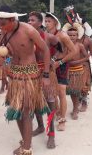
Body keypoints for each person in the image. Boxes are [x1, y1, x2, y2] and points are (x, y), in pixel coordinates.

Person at [0, 5, 50, 155]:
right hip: (14, 75)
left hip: (30, 75)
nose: (0, 27)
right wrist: (4, 60)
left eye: (3, 23)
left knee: (26, 112)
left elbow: (45, 50)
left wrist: (46, 75)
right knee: (17, 110)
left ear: (12, 19)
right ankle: (26, 140)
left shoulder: (29, 30)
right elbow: (4, 50)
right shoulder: (5, 32)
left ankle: (27, 148)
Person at [28, 12, 58, 149]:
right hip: (31, 73)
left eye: (32, 20)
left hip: (46, 74)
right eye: (28, 20)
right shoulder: (26, 37)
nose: (29, 22)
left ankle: (51, 134)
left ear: (40, 23)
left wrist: (54, 59)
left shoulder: (49, 37)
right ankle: (40, 126)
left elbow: (60, 49)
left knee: (50, 103)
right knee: (34, 102)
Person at [45, 12, 76, 131]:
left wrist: (60, 62)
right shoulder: (46, 35)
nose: (47, 23)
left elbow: (73, 52)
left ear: (55, 23)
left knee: (61, 92)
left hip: (61, 64)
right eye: (46, 21)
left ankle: (62, 119)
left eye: (49, 21)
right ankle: (57, 113)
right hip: (51, 65)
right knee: (52, 92)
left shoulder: (62, 35)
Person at [65, 24, 89, 120]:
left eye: (74, 35)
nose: (72, 37)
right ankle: (75, 108)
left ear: (77, 35)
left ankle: (75, 109)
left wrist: (76, 62)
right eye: (70, 35)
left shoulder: (80, 45)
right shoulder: (65, 45)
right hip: (68, 71)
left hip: (78, 71)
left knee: (76, 91)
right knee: (71, 91)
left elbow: (86, 57)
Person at [78, 26, 92, 112]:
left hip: (85, 65)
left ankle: (84, 101)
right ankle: (78, 99)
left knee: (85, 83)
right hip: (73, 64)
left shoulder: (88, 40)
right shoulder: (72, 37)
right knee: (75, 84)